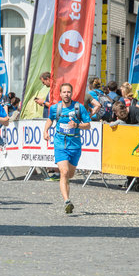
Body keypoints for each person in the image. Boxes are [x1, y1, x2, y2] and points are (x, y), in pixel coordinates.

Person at [43, 83, 91, 214]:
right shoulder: (55, 108)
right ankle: (67, 201)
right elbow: (50, 119)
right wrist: (45, 131)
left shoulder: (78, 107)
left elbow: (88, 125)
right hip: (60, 144)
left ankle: (67, 198)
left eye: (68, 92)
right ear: (60, 93)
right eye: (64, 92)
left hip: (75, 145)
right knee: (63, 172)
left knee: (70, 174)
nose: (66, 94)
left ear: (72, 93)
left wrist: (77, 125)